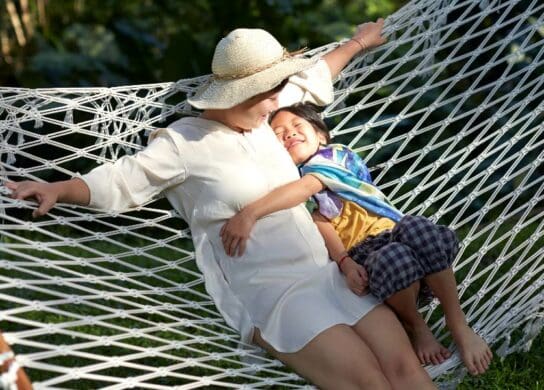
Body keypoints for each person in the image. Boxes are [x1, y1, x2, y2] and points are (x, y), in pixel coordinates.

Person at [7, 21, 438, 389]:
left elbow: (315, 77)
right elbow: (123, 179)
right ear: (236, 95)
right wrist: (59, 189)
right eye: (269, 95)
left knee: (406, 370)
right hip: (276, 294)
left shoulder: (265, 111)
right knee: (370, 383)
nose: (280, 105)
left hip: (328, 273)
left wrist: (359, 42)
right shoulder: (183, 143)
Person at [219, 102, 493, 375]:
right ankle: (417, 326)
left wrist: (251, 213)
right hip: (373, 263)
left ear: (322, 135)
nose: (289, 133)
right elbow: (320, 222)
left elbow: (309, 186)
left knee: (418, 228)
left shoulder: (336, 157)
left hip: (399, 234)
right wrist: (345, 262)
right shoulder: (292, 185)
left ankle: (457, 323)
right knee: (392, 257)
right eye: (278, 133)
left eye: (296, 126)